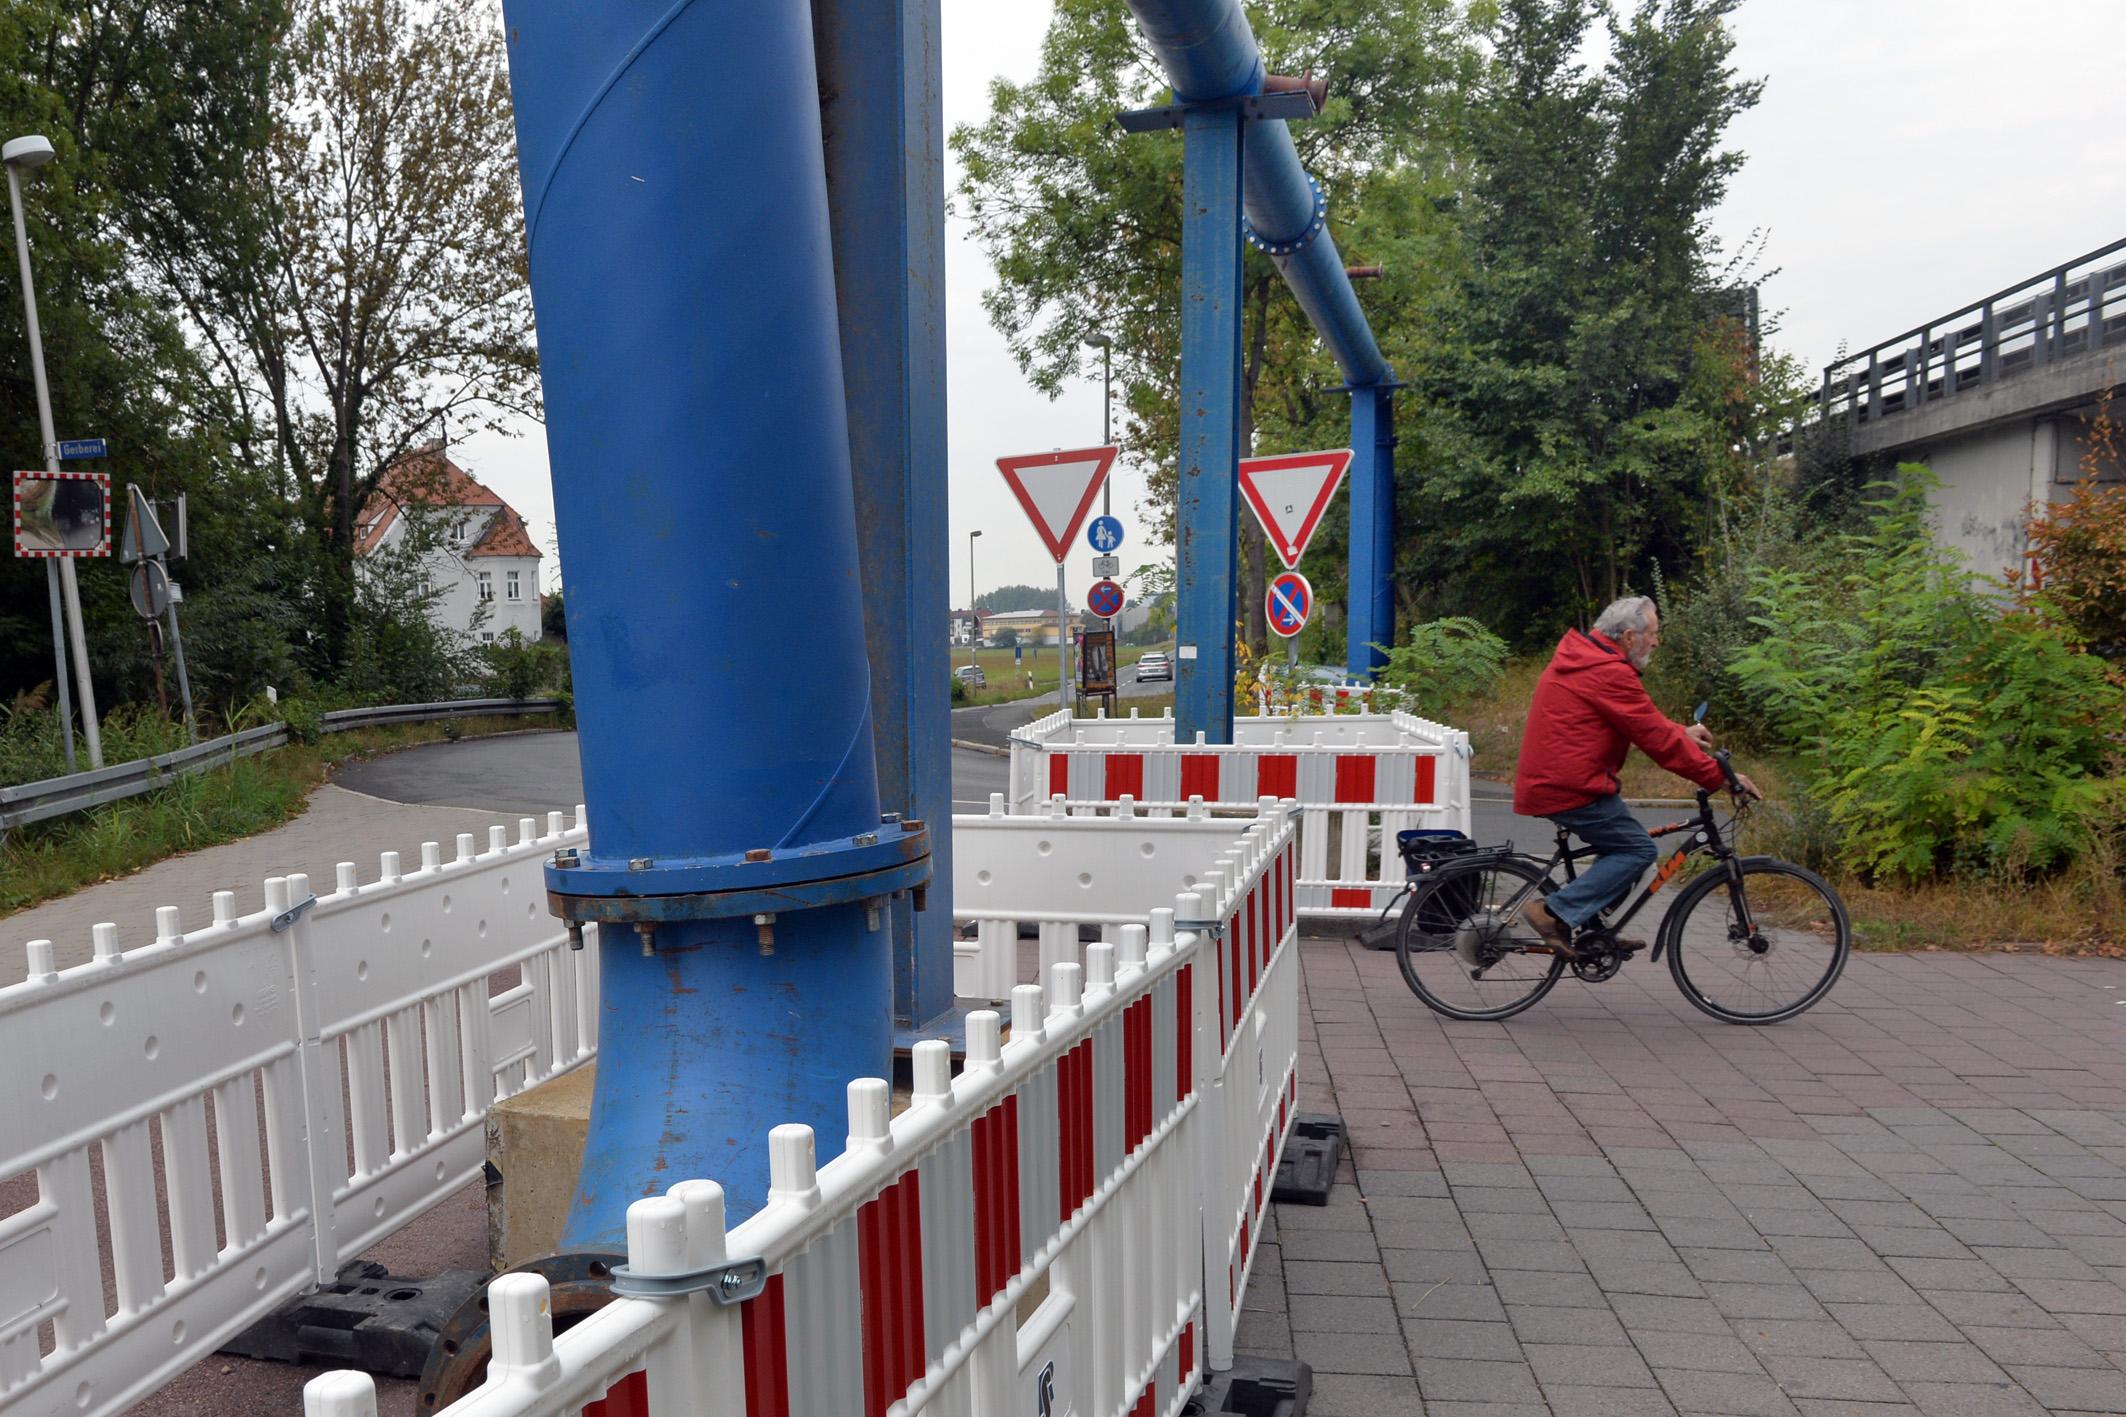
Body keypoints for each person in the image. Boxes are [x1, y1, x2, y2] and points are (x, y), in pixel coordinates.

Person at [1512, 595, 1758, 955]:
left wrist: (1679, 732)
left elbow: (1643, 722)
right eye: (1653, 634)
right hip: (1569, 787)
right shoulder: (1607, 671)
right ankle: (1553, 912)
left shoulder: (1589, 660)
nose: (1656, 641)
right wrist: (1720, 778)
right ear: (1629, 636)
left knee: (1623, 847)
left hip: (1563, 780)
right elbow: (1656, 741)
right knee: (1637, 850)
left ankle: (1592, 928)